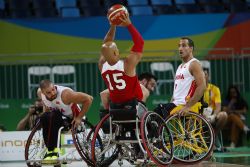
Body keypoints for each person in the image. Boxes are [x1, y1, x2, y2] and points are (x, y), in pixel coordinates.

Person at [37, 79, 93, 161]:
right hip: (57, 119)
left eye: (53, 89)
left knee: (54, 114)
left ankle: (53, 151)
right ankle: (50, 150)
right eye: (48, 92)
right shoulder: (40, 93)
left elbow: (89, 99)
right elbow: (46, 105)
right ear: (43, 92)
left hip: (73, 121)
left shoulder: (66, 94)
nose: (53, 93)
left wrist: (79, 118)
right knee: (44, 116)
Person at [98, 12, 144, 108]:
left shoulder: (102, 65)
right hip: (133, 105)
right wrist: (129, 25)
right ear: (116, 52)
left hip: (115, 106)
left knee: (105, 93)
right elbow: (139, 42)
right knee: (143, 89)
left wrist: (113, 26)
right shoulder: (127, 64)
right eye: (117, 49)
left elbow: (106, 43)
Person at [154, 37, 206, 118]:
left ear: (191, 48)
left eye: (184, 46)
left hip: (184, 104)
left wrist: (188, 106)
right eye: (179, 46)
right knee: (156, 113)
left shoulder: (194, 64)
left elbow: (202, 86)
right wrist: (170, 103)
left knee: (156, 115)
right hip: (175, 104)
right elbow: (176, 91)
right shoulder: (179, 67)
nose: (180, 48)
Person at [202, 68, 228, 152]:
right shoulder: (196, 89)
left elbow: (218, 107)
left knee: (223, 115)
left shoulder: (215, 89)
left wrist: (213, 116)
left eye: (205, 74)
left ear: (208, 76)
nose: (203, 76)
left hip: (211, 116)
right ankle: (210, 141)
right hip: (199, 116)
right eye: (201, 74)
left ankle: (211, 138)